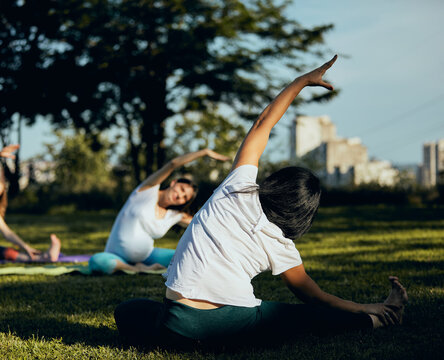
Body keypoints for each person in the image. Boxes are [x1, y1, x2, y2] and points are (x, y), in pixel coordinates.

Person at [114, 55, 408, 345]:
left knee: (127, 311)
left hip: (175, 324)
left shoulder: (236, 188)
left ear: (276, 183)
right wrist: (364, 306)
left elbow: (262, 124)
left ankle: (376, 316)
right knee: (303, 317)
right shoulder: (282, 245)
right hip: (232, 324)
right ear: (302, 213)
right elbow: (317, 298)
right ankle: (377, 317)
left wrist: (301, 82)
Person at [89, 149, 229, 274]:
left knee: (187, 256)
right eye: (181, 189)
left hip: (148, 256)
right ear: (173, 182)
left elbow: (204, 222)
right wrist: (204, 152)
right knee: (97, 262)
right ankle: (135, 268)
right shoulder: (147, 190)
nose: (180, 195)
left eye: (185, 197)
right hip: (115, 256)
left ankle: (137, 266)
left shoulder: (175, 215)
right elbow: (173, 164)